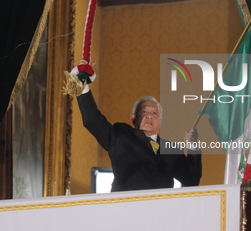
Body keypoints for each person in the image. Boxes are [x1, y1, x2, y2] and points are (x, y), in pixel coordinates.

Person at [71, 60, 202, 192]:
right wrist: (81, 85)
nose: (149, 116)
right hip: (125, 207)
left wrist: (193, 146)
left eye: (154, 113)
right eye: (144, 112)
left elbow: (191, 180)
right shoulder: (120, 136)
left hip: (160, 209)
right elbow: (93, 120)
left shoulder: (172, 150)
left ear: (161, 122)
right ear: (133, 118)